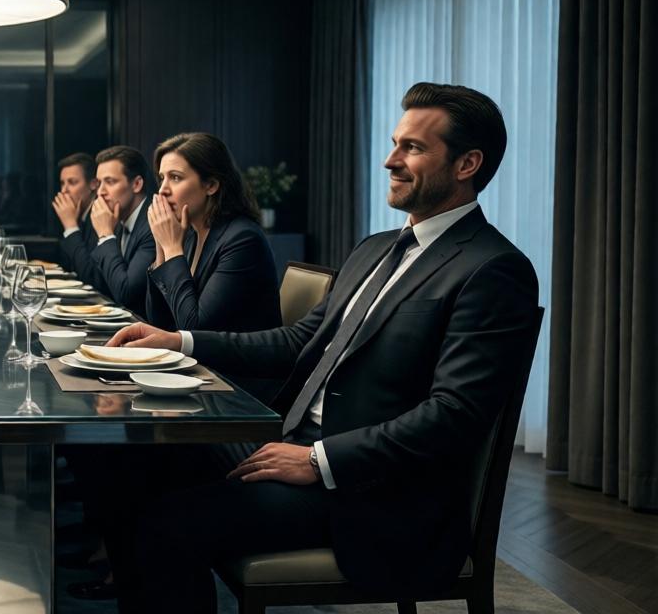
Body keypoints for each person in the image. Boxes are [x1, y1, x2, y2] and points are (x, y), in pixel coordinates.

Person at [104, 83, 541, 612]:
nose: (390, 161)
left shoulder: (493, 269)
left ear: (468, 163)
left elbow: (454, 414)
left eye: (413, 148)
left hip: (370, 493)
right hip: (292, 443)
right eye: (395, 144)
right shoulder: (376, 248)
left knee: (163, 527)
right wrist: (181, 340)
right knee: (134, 465)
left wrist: (318, 459)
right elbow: (298, 341)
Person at [145, 132, 280, 335]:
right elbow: (158, 322)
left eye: (175, 177)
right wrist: (161, 249)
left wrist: (172, 248)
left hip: (230, 357)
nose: (163, 190)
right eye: (162, 178)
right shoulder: (189, 234)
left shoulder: (243, 239)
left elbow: (194, 330)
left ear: (211, 185)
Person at [87, 145, 155, 312]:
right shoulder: (115, 219)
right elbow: (97, 283)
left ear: (136, 184)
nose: (100, 192)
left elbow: (126, 294)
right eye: (99, 183)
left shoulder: (153, 224)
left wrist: (105, 235)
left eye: (110, 182)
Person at [51, 152, 101, 286]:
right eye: (62, 183)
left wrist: (71, 226)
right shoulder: (77, 214)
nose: (64, 190)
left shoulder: (100, 215)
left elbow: (89, 276)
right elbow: (67, 266)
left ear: (93, 184)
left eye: (72, 182)